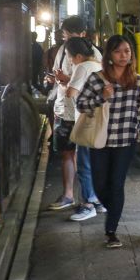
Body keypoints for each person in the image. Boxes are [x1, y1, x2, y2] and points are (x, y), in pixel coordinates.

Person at [76, 35, 140, 249]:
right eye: (118, 51)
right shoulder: (97, 79)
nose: (123, 55)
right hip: (101, 140)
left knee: (116, 184)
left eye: (127, 51)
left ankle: (111, 230)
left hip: (126, 141)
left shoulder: (138, 81)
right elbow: (81, 104)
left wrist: (137, 132)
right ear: (109, 55)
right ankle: (114, 210)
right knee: (100, 184)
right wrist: (102, 97)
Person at [47, 16, 101, 211]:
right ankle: (69, 195)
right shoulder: (62, 50)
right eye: (65, 35)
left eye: (70, 34)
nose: (66, 38)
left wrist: (67, 79)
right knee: (67, 152)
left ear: (82, 34)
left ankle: (90, 198)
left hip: (83, 113)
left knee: (86, 158)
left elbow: (92, 81)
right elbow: (57, 74)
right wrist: (55, 79)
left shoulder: (92, 54)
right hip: (64, 108)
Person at [64, 37, 107, 221]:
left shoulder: (82, 67)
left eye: (70, 57)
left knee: (84, 164)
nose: (70, 60)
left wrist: (64, 83)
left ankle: (88, 204)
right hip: (101, 120)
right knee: (97, 163)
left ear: (79, 55)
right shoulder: (99, 64)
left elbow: (71, 92)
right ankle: (98, 201)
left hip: (85, 119)